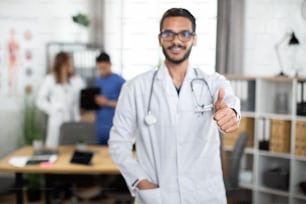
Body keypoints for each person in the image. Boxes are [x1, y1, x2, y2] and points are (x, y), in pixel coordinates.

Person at [109, 8, 240, 204]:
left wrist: (231, 114)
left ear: (194, 39)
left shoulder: (213, 83)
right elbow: (118, 142)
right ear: (160, 38)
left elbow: (230, 103)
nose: (176, 41)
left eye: (184, 34)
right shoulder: (135, 87)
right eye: (168, 33)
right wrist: (140, 181)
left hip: (204, 195)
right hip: (158, 195)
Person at [36, 51, 85, 148]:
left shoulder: (76, 80)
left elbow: (83, 96)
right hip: (57, 119)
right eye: (67, 64)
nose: (70, 66)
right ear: (61, 65)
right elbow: (40, 100)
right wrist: (54, 109)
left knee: (72, 150)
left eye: (70, 64)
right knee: (55, 150)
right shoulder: (50, 79)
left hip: (73, 121)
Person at [94, 52, 125, 145]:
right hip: (100, 127)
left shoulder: (120, 81)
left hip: (115, 127)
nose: (102, 71)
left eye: (104, 68)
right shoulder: (97, 82)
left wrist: (107, 103)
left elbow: (127, 105)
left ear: (110, 65)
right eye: (99, 69)